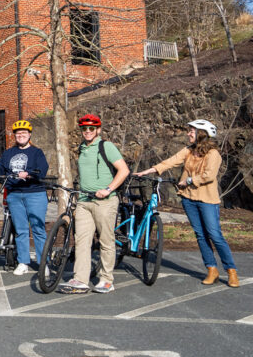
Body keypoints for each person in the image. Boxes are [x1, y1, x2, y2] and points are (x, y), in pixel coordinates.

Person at [136, 119, 239, 288]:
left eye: (192, 131)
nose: (188, 133)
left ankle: (231, 271)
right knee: (200, 234)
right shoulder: (188, 151)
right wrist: (149, 171)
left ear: (201, 133)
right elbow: (171, 161)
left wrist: (189, 180)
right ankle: (211, 269)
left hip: (207, 199)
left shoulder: (213, 154)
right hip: (189, 199)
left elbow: (209, 175)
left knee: (215, 235)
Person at [59, 114, 129, 294]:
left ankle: (106, 279)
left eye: (91, 128)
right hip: (84, 201)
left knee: (106, 240)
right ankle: (80, 279)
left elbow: (124, 170)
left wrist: (108, 188)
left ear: (98, 129)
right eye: (84, 128)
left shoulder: (107, 146)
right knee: (82, 241)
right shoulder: (82, 148)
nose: (87, 131)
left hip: (104, 202)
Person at [0, 119, 49, 275]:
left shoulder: (37, 152)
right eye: (18, 133)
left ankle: (43, 263)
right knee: (21, 230)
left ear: (29, 135)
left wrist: (28, 173)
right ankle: (23, 262)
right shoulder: (9, 153)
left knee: (38, 229)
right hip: (14, 194)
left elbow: (42, 169)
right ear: (14, 136)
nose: (21, 135)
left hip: (34, 193)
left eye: (24, 133)